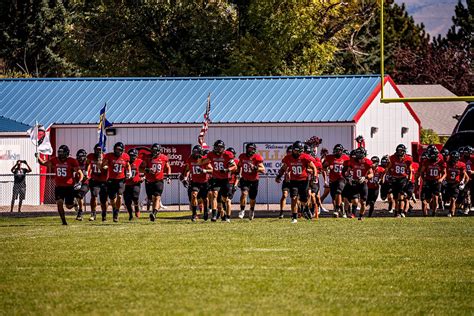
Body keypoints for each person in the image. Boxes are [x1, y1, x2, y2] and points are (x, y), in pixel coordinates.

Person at [37, 145, 83, 225]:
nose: (61, 154)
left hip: (69, 187)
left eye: (62, 152)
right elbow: (44, 163)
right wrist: (37, 156)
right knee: (59, 203)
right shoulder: (55, 160)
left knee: (68, 206)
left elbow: (80, 173)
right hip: (59, 187)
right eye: (60, 152)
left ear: (66, 153)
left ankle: (74, 203)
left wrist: (79, 182)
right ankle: (64, 222)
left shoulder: (72, 161)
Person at [276, 141, 316, 223]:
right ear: (293, 149)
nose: (297, 152)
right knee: (293, 198)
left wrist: (314, 176)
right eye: (296, 150)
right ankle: (294, 217)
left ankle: (306, 208)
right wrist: (279, 176)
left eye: (299, 151)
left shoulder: (305, 157)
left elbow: (314, 167)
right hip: (293, 180)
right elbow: (284, 168)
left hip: (304, 181)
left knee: (304, 200)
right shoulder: (288, 158)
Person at [200, 140, 236, 222]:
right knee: (214, 195)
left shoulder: (227, 155)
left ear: (223, 148)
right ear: (214, 147)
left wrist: (227, 169)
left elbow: (234, 166)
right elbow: (202, 162)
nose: (219, 149)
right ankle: (214, 215)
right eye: (217, 147)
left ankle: (227, 215)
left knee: (225, 199)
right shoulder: (211, 154)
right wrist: (201, 156)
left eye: (221, 147)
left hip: (225, 179)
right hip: (215, 178)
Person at [180, 145, 213, 221]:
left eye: (196, 152)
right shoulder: (190, 159)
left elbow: (212, 170)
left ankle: (205, 211)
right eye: (194, 152)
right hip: (195, 182)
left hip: (204, 182)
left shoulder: (204, 160)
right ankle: (194, 214)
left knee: (205, 199)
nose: (195, 154)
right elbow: (187, 169)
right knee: (193, 195)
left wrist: (204, 171)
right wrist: (184, 178)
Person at [103, 142, 131, 222]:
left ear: (122, 150)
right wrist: (104, 165)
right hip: (111, 179)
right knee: (112, 199)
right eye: (116, 149)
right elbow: (103, 164)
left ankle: (116, 212)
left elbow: (128, 164)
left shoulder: (125, 156)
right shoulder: (109, 155)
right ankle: (115, 209)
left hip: (121, 179)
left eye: (119, 150)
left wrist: (129, 172)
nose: (118, 151)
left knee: (119, 196)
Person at [343, 147, 373, 220]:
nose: (358, 155)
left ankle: (361, 216)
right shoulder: (352, 161)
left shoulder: (367, 162)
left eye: (359, 153)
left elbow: (372, 174)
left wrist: (365, 178)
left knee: (363, 202)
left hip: (363, 184)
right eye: (357, 153)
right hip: (355, 183)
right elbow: (348, 171)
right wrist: (348, 177)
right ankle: (353, 214)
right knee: (355, 201)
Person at [144, 143, 171, 222]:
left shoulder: (164, 158)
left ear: (159, 151)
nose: (154, 152)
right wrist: (148, 170)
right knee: (151, 199)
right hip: (149, 181)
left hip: (159, 180)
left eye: (156, 150)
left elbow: (168, 167)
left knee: (157, 197)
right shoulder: (147, 157)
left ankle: (154, 213)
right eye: (153, 150)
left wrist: (168, 176)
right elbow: (141, 168)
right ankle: (153, 213)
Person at [237, 143, 265, 220]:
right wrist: (238, 173)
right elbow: (239, 165)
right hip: (245, 179)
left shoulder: (257, 157)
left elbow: (263, 169)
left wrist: (255, 168)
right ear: (247, 149)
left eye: (252, 149)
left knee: (252, 198)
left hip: (254, 180)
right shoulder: (242, 156)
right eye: (249, 148)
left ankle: (252, 210)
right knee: (244, 193)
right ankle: (242, 210)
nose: (251, 150)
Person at [417, 146, 446, 216]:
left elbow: (444, 173)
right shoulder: (426, 161)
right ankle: (425, 215)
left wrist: (441, 179)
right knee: (426, 200)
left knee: (435, 197)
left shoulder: (441, 162)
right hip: (428, 181)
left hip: (436, 181)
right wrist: (423, 180)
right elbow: (421, 172)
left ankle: (434, 213)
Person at [385, 144, 413, 217]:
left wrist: (409, 179)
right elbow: (388, 168)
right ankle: (396, 212)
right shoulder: (392, 158)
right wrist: (389, 175)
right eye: (399, 150)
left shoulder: (408, 159)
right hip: (395, 179)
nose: (400, 152)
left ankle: (400, 212)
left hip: (403, 179)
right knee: (395, 198)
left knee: (401, 196)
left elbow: (410, 170)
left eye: (401, 151)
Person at [323, 144, 350, 217]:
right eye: (336, 150)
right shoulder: (329, 157)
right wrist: (328, 167)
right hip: (332, 179)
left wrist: (348, 173)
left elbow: (350, 167)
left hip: (342, 178)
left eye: (339, 151)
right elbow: (324, 166)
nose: (337, 152)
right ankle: (341, 209)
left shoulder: (346, 158)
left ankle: (337, 210)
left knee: (339, 191)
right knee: (334, 197)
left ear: (342, 151)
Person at [86, 144, 108, 221]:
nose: (98, 151)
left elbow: (108, 167)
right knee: (94, 196)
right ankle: (93, 213)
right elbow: (87, 163)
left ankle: (104, 214)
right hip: (94, 180)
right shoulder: (90, 156)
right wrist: (86, 172)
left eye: (99, 149)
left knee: (103, 200)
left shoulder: (105, 157)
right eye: (97, 149)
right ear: (94, 149)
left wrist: (103, 167)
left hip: (104, 181)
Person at [445, 151, 468, 217]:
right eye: (453, 158)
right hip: (448, 183)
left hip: (456, 184)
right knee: (448, 199)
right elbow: (443, 172)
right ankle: (452, 212)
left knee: (453, 199)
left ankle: (451, 212)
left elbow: (464, 174)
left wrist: (463, 182)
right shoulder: (447, 164)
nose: (454, 159)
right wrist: (443, 179)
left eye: (455, 158)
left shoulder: (461, 164)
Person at [124, 148, 145, 220]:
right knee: (127, 201)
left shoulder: (139, 162)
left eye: (134, 156)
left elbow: (147, 169)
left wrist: (143, 177)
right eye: (131, 156)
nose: (133, 157)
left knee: (135, 198)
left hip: (135, 183)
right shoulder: (124, 162)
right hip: (126, 184)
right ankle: (130, 214)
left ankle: (137, 208)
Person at [74, 149, 89, 221]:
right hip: (76, 182)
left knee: (80, 196)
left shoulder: (87, 164)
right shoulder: (75, 163)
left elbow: (87, 175)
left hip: (85, 183)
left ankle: (80, 212)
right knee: (73, 197)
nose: (80, 158)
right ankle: (76, 204)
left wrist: (87, 174)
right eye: (79, 156)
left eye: (82, 156)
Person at [279, 145, 292, 219]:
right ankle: (281, 212)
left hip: (295, 181)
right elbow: (283, 168)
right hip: (286, 181)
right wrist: (279, 176)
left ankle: (297, 212)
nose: (289, 153)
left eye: (290, 152)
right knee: (284, 195)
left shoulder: (297, 159)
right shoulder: (286, 160)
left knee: (295, 198)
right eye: (288, 152)